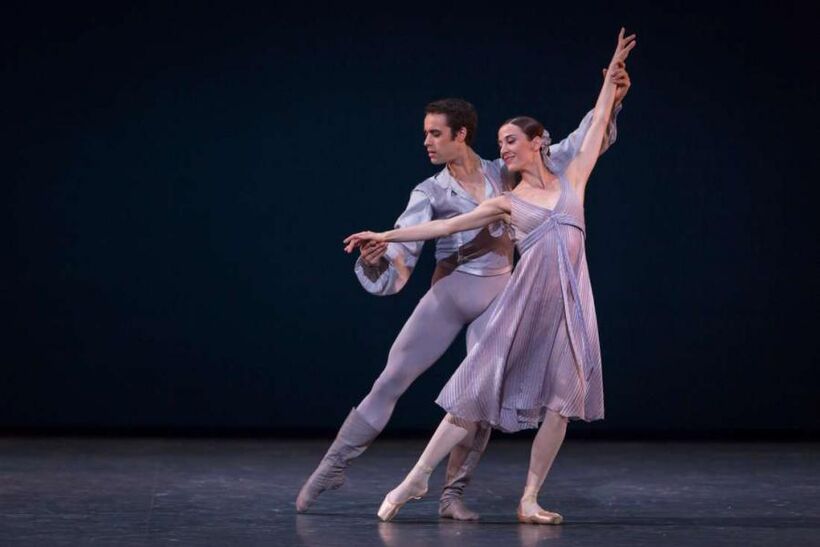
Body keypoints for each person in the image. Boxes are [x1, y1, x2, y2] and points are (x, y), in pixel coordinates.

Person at [296, 67, 630, 520]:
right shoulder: (431, 189)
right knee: (392, 377)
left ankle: (452, 494)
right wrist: (381, 252)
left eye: (435, 134)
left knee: (481, 392)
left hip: (501, 295)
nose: (427, 142)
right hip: (452, 293)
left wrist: (611, 97)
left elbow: (572, 146)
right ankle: (333, 465)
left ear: (461, 134)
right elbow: (415, 235)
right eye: (426, 134)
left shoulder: (505, 173)